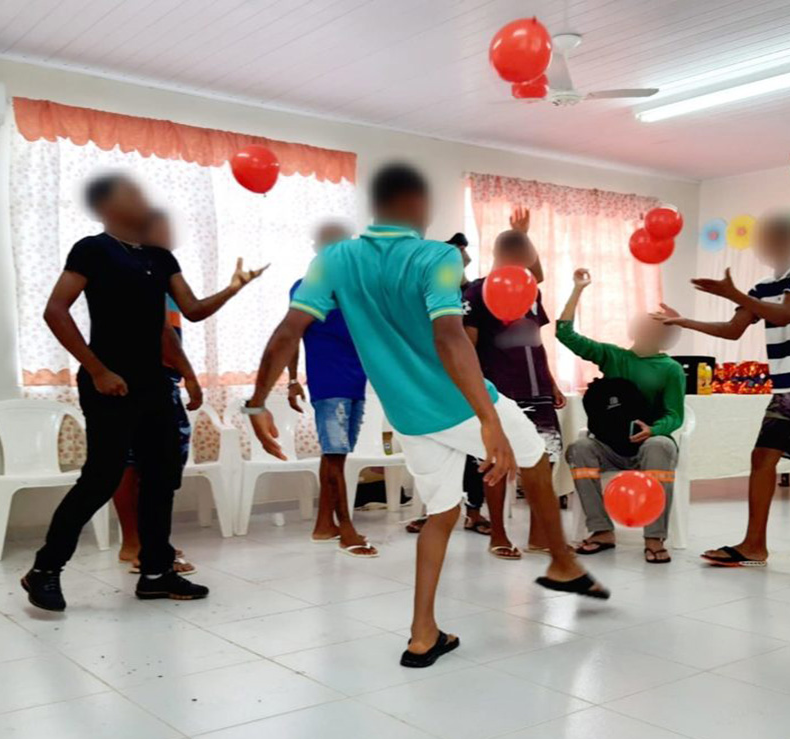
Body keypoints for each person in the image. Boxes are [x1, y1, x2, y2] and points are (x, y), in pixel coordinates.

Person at [248, 163, 608, 668]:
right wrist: (487, 419)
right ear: (417, 206)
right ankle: (562, 563)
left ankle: (423, 634)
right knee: (535, 460)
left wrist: (256, 402)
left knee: (441, 513)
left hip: (410, 418)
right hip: (459, 401)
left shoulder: (332, 260)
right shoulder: (437, 257)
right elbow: (449, 336)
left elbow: (289, 331)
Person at [22, 173, 267, 611]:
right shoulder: (92, 249)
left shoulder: (160, 256)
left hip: (154, 383)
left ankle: (156, 572)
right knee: (102, 477)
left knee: (160, 478)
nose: (143, 199)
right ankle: (44, 570)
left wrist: (231, 290)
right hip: (109, 383)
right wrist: (97, 370)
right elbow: (54, 311)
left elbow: (184, 314)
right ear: (107, 207)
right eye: (131, 194)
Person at [654, 212, 790, 573]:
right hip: (787, 388)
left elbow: (784, 313)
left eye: (772, 239)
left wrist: (734, 293)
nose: (766, 246)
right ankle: (754, 545)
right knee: (762, 458)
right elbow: (733, 329)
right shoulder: (763, 287)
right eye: (763, 241)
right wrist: (683, 321)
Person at [558, 269, 685, 563]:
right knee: (579, 449)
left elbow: (675, 415)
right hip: (610, 446)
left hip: (647, 446)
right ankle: (601, 531)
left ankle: (654, 538)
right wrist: (578, 289)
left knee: (661, 446)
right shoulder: (613, 357)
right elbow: (565, 334)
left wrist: (653, 431)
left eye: (658, 329)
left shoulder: (671, 369)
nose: (649, 331)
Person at [463, 208, 566, 560]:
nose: (528, 270)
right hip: (498, 393)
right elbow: (467, 347)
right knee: (496, 465)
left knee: (545, 461)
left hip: (537, 391)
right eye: (521, 260)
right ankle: (499, 535)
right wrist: (477, 396)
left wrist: (550, 381)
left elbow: (536, 340)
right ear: (501, 257)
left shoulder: (530, 292)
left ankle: (540, 535)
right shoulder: (476, 293)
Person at [113, 209, 201, 575]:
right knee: (138, 463)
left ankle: (140, 542)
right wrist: (189, 376)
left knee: (141, 461)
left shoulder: (151, 270)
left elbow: (172, 327)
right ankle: (139, 544)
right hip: (142, 379)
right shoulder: (140, 271)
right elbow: (162, 334)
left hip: (150, 377)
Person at [285, 219, 377, 557]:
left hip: (355, 381)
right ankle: (347, 529)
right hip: (328, 383)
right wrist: (293, 380)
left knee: (335, 453)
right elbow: (290, 334)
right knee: (336, 455)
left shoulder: (355, 291)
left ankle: (324, 524)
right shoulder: (307, 286)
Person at [404, 232, 492, 538]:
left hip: (471, 382)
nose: (461, 259)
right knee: (436, 452)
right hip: (433, 385)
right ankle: (434, 513)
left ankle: (475, 513)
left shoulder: (474, 293)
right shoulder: (425, 292)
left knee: (477, 450)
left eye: (463, 257)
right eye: (456, 254)